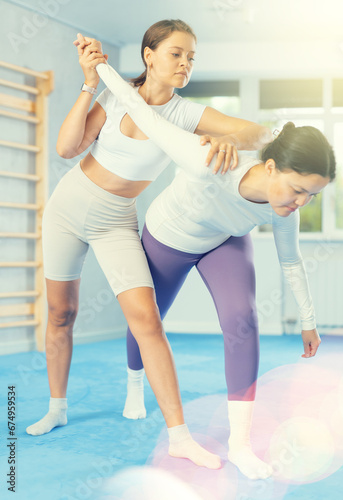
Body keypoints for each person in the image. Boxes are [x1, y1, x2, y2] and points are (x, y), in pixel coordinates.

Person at [26, 20, 272, 471]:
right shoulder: (114, 96)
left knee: (148, 320)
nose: (185, 64)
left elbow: (259, 133)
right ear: (149, 55)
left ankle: (179, 437)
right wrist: (87, 83)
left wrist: (224, 139)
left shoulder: (185, 114)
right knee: (61, 313)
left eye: (191, 57)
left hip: (116, 220)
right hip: (66, 209)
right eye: (177, 53)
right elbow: (66, 148)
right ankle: (57, 408)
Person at [91, 61, 335, 479]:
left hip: (224, 241)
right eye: (298, 190)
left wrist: (308, 322)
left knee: (243, 320)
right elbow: (143, 111)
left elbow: (291, 261)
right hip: (171, 236)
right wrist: (99, 65)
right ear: (272, 167)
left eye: (311, 195)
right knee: (146, 322)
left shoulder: (284, 210)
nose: (301, 203)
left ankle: (240, 445)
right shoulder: (210, 160)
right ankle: (135, 384)